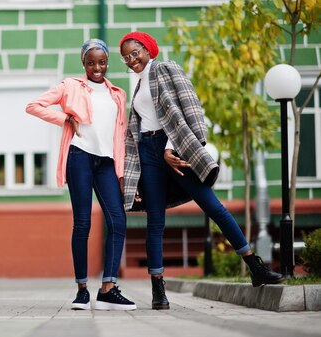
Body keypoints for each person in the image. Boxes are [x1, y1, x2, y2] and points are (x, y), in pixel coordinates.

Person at [119, 31, 285, 310]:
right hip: (147, 153)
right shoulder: (137, 85)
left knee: (213, 206)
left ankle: (256, 267)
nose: (131, 59)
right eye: (126, 57)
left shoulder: (166, 68)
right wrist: (134, 180)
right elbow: (136, 133)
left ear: (148, 49)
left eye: (135, 52)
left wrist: (171, 147)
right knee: (155, 222)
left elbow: (190, 106)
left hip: (172, 147)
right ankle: (158, 291)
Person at [26, 39, 136, 311]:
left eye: (101, 62)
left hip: (107, 162)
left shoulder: (118, 94)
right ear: (83, 63)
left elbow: (119, 137)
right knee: (83, 223)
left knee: (118, 221)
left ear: (107, 62)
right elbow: (34, 105)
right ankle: (82, 290)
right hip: (80, 157)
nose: (96, 67)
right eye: (90, 62)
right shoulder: (70, 86)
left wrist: (122, 174)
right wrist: (65, 118)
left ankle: (108, 288)